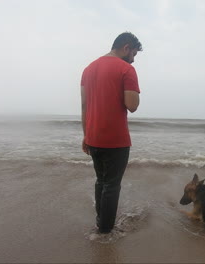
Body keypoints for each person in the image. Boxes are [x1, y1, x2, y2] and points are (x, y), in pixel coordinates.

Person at [80, 32, 142, 234]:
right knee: (112, 185)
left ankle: (101, 220)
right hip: (116, 140)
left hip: (94, 137)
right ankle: (105, 230)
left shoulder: (88, 69)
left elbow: (84, 105)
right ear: (126, 48)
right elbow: (131, 105)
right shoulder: (127, 69)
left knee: (102, 181)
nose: (133, 59)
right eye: (133, 53)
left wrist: (86, 135)